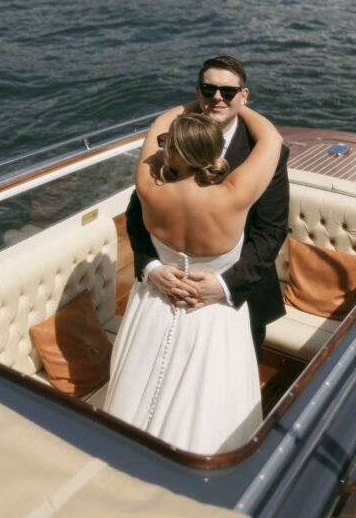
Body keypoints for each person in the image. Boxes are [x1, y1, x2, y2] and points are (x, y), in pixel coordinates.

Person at [104, 109, 278, 453]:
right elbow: (271, 138)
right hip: (212, 312)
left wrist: (191, 105)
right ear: (215, 153)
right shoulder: (235, 194)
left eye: (167, 144)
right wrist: (236, 104)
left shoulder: (149, 189)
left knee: (139, 389)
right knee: (208, 405)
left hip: (155, 305)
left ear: (173, 153)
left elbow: (156, 126)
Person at [126, 56, 290, 357]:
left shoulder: (167, 144)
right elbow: (136, 215)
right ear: (198, 90)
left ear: (244, 94)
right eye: (208, 89)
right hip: (163, 295)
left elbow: (271, 230)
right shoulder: (171, 144)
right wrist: (150, 267)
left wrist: (227, 285)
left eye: (228, 92)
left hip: (240, 297)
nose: (217, 98)